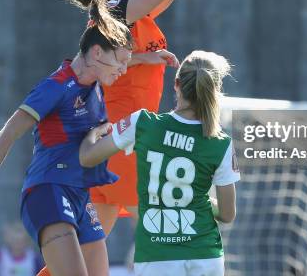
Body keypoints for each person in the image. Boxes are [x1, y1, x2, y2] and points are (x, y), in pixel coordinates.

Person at [45, 0, 210, 236]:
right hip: (123, 137)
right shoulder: (113, 11)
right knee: (171, 228)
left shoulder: (130, 14)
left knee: (87, 247)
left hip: (115, 139)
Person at [0, 0, 134, 276]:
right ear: (96, 52)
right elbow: (8, 132)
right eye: (121, 60)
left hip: (79, 196)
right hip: (47, 192)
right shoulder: (56, 87)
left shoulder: (95, 88)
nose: (124, 69)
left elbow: (89, 147)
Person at [79, 50, 240, 276]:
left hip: (156, 258)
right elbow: (227, 214)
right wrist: (200, 201)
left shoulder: (142, 123)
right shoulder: (221, 143)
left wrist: (91, 133)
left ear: (176, 84)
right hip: (205, 256)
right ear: (213, 92)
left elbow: (87, 157)